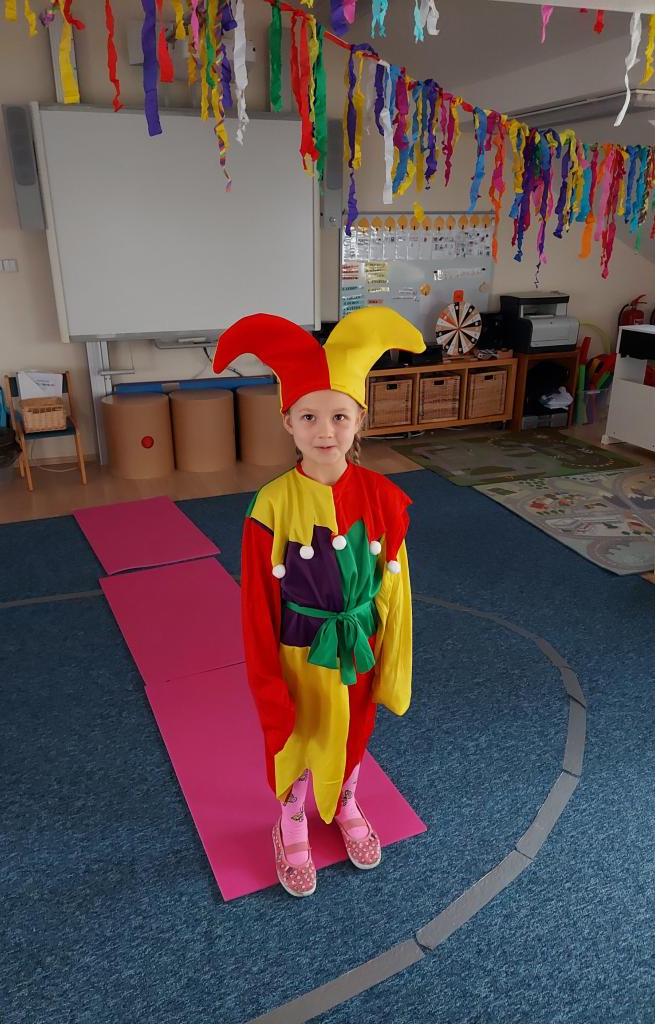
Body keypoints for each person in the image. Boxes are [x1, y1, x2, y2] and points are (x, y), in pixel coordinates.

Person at [213, 307, 424, 897]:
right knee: (298, 733)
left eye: (338, 416)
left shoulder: (384, 497)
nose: (324, 431)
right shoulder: (270, 505)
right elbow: (256, 606)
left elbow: (396, 587)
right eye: (309, 416)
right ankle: (292, 818)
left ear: (360, 419)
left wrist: (392, 661)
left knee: (353, 728)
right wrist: (266, 681)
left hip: (358, 647)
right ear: (288, 421)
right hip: (297, 653)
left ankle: (347, 799)